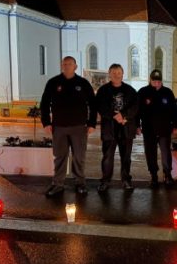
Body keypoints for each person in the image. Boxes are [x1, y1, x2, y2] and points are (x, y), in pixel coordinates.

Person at [39, 56, 97, 196]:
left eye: (70, 64)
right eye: (64, 64)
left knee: (79, 157)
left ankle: (80, 183)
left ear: (75, 66)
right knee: (60, 157)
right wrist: (46, 122)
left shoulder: (83, 83)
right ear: (61, 66)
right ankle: (58, 184)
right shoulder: (53, 82)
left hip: (79, 127)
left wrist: (91, 123)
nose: (67, 66)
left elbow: (93, 104)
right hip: (59, 127)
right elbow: (44, 103)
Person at [95, 64, 139, 192]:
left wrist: (124, 115)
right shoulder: (103, 90)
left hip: (126, 129)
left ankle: (126, 180)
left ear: (122, 74)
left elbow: (135, 107)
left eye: (119, 73)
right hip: (109, 129)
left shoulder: (130, 90)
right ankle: (105, 181)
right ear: (109, 74)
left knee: (126, 157)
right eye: (113, 73)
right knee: (107, 157)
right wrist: (115, 115)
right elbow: (100, 106)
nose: (116, 75)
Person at [137, 69, 177, 188]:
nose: (156, 83)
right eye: (154, 81)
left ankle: (167, 175)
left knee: (166, 153)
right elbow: (137, 111)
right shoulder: (143, 92)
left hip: (164, 130)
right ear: (150, 80)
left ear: (161, 81)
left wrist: (175, 124)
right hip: (148, 130)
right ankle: (154, 176)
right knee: (150, 153)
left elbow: (174, 110)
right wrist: (137, 125)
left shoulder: (167, 92)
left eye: (159, 81)